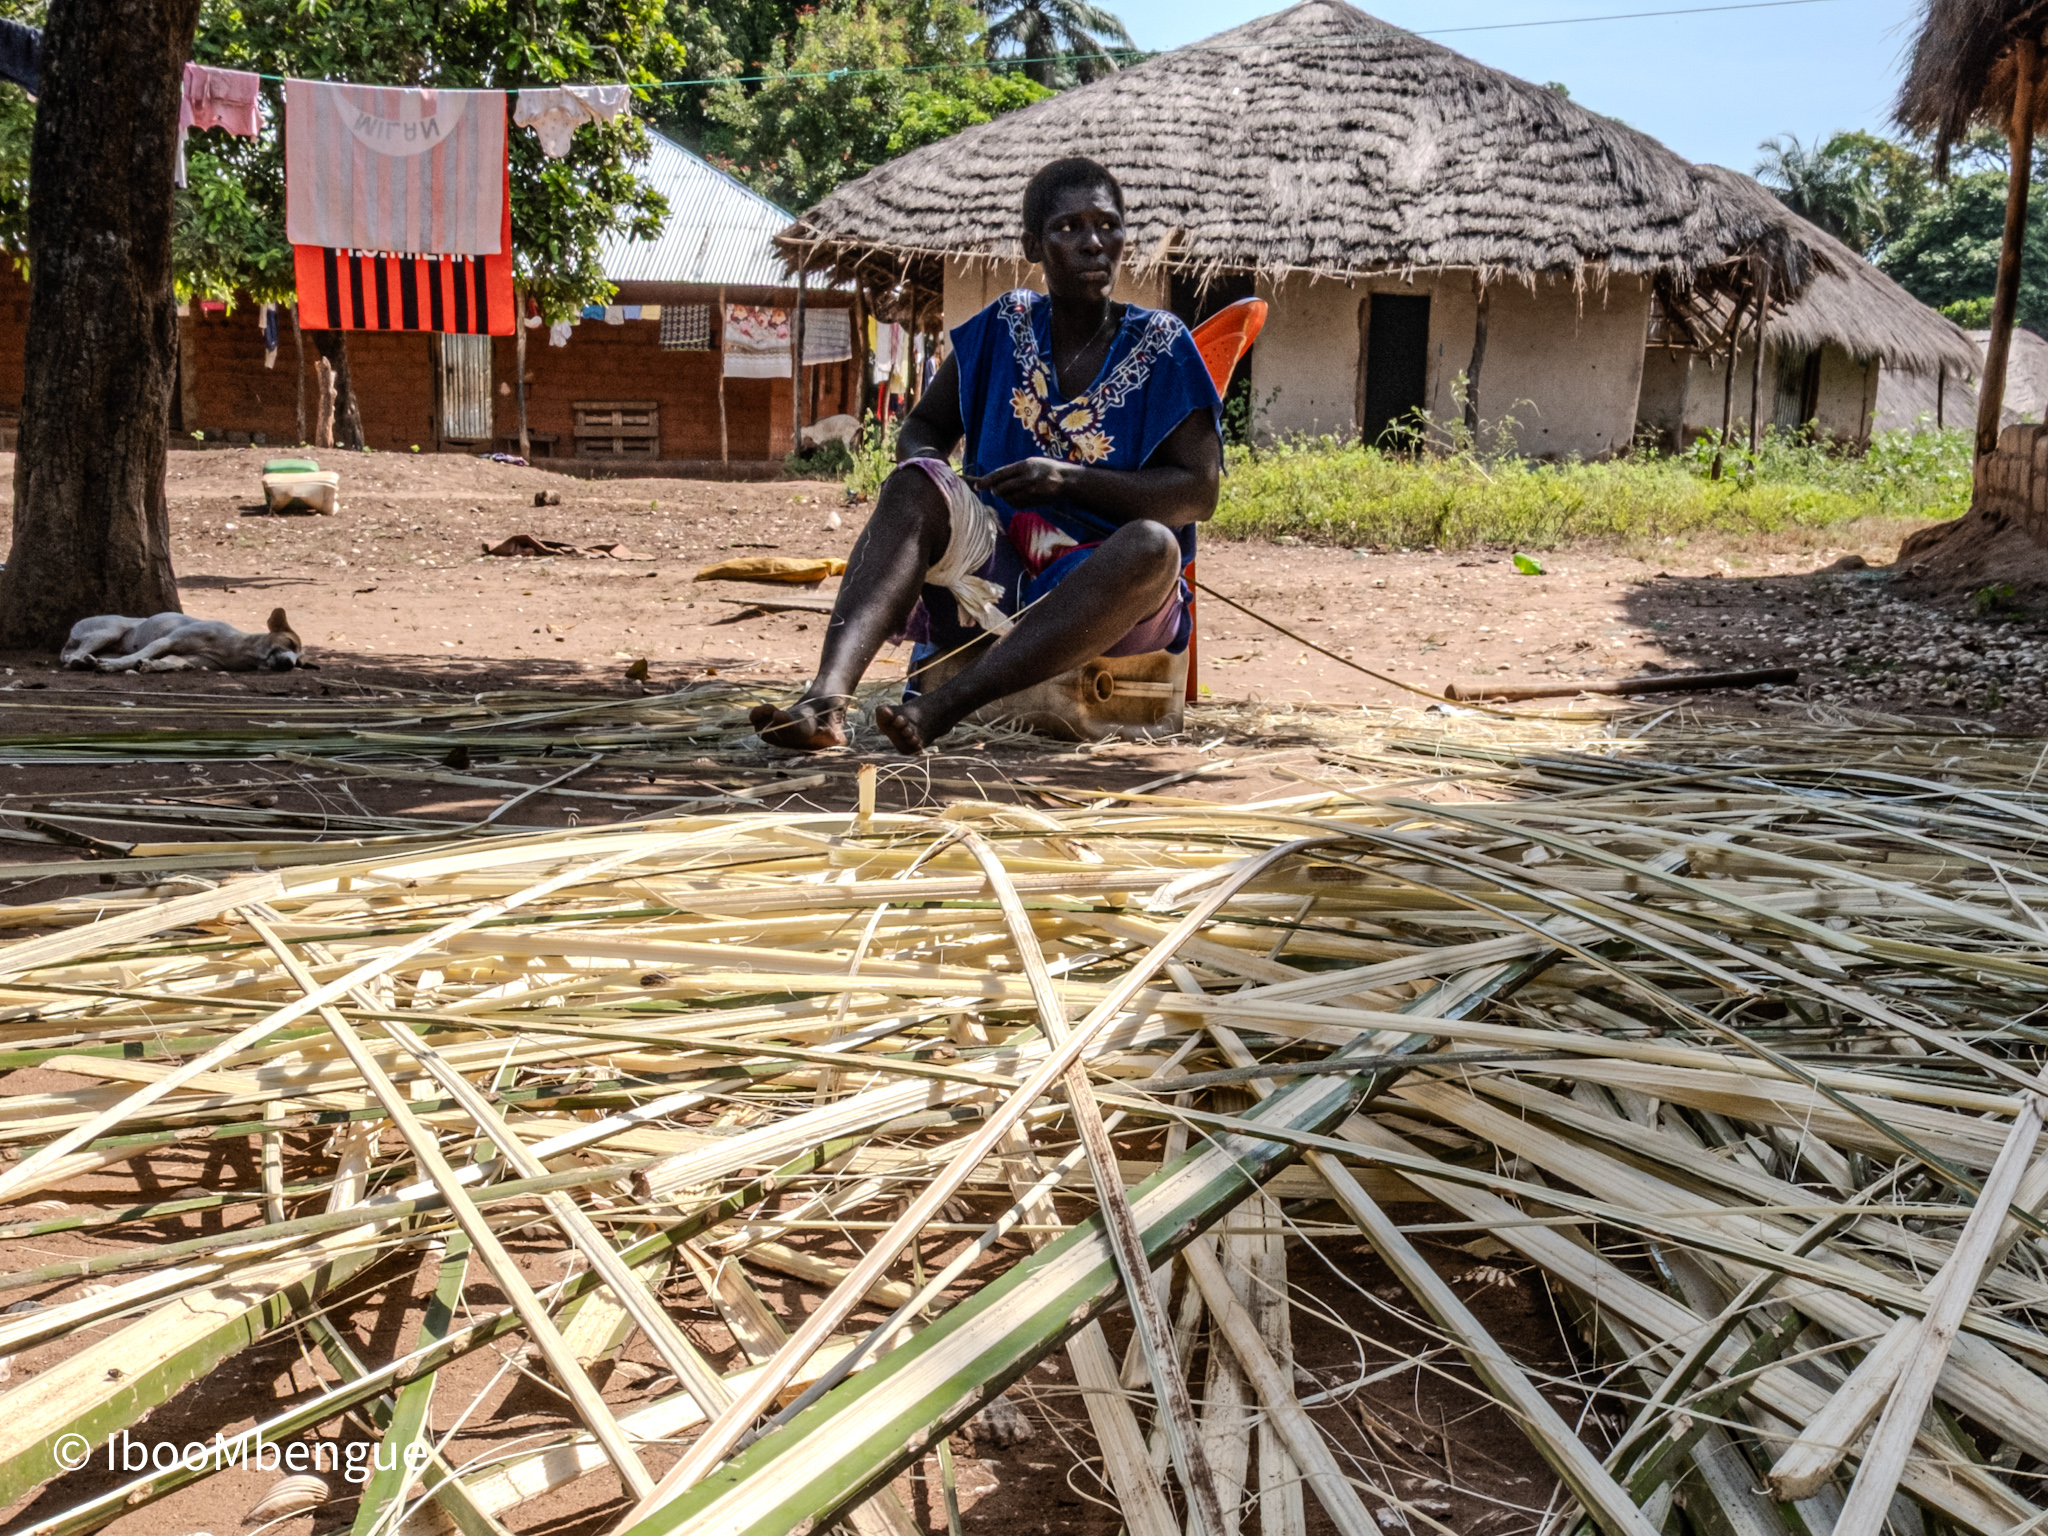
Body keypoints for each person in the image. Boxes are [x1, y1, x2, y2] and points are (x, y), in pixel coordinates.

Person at [749, 155, 1223, 754]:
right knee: (913, 481)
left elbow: (1197, 492)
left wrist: (1068, 481)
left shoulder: (1162, 345)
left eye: (1107, 225)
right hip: (995, 575)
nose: (1093, 243)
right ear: (1031, 245)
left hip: (1107, 590)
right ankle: (825, 701)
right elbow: (922, 427)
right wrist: (943, 481)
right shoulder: (1005, 325)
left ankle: (945, 707)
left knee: (1154, 545)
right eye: (1069, 228)